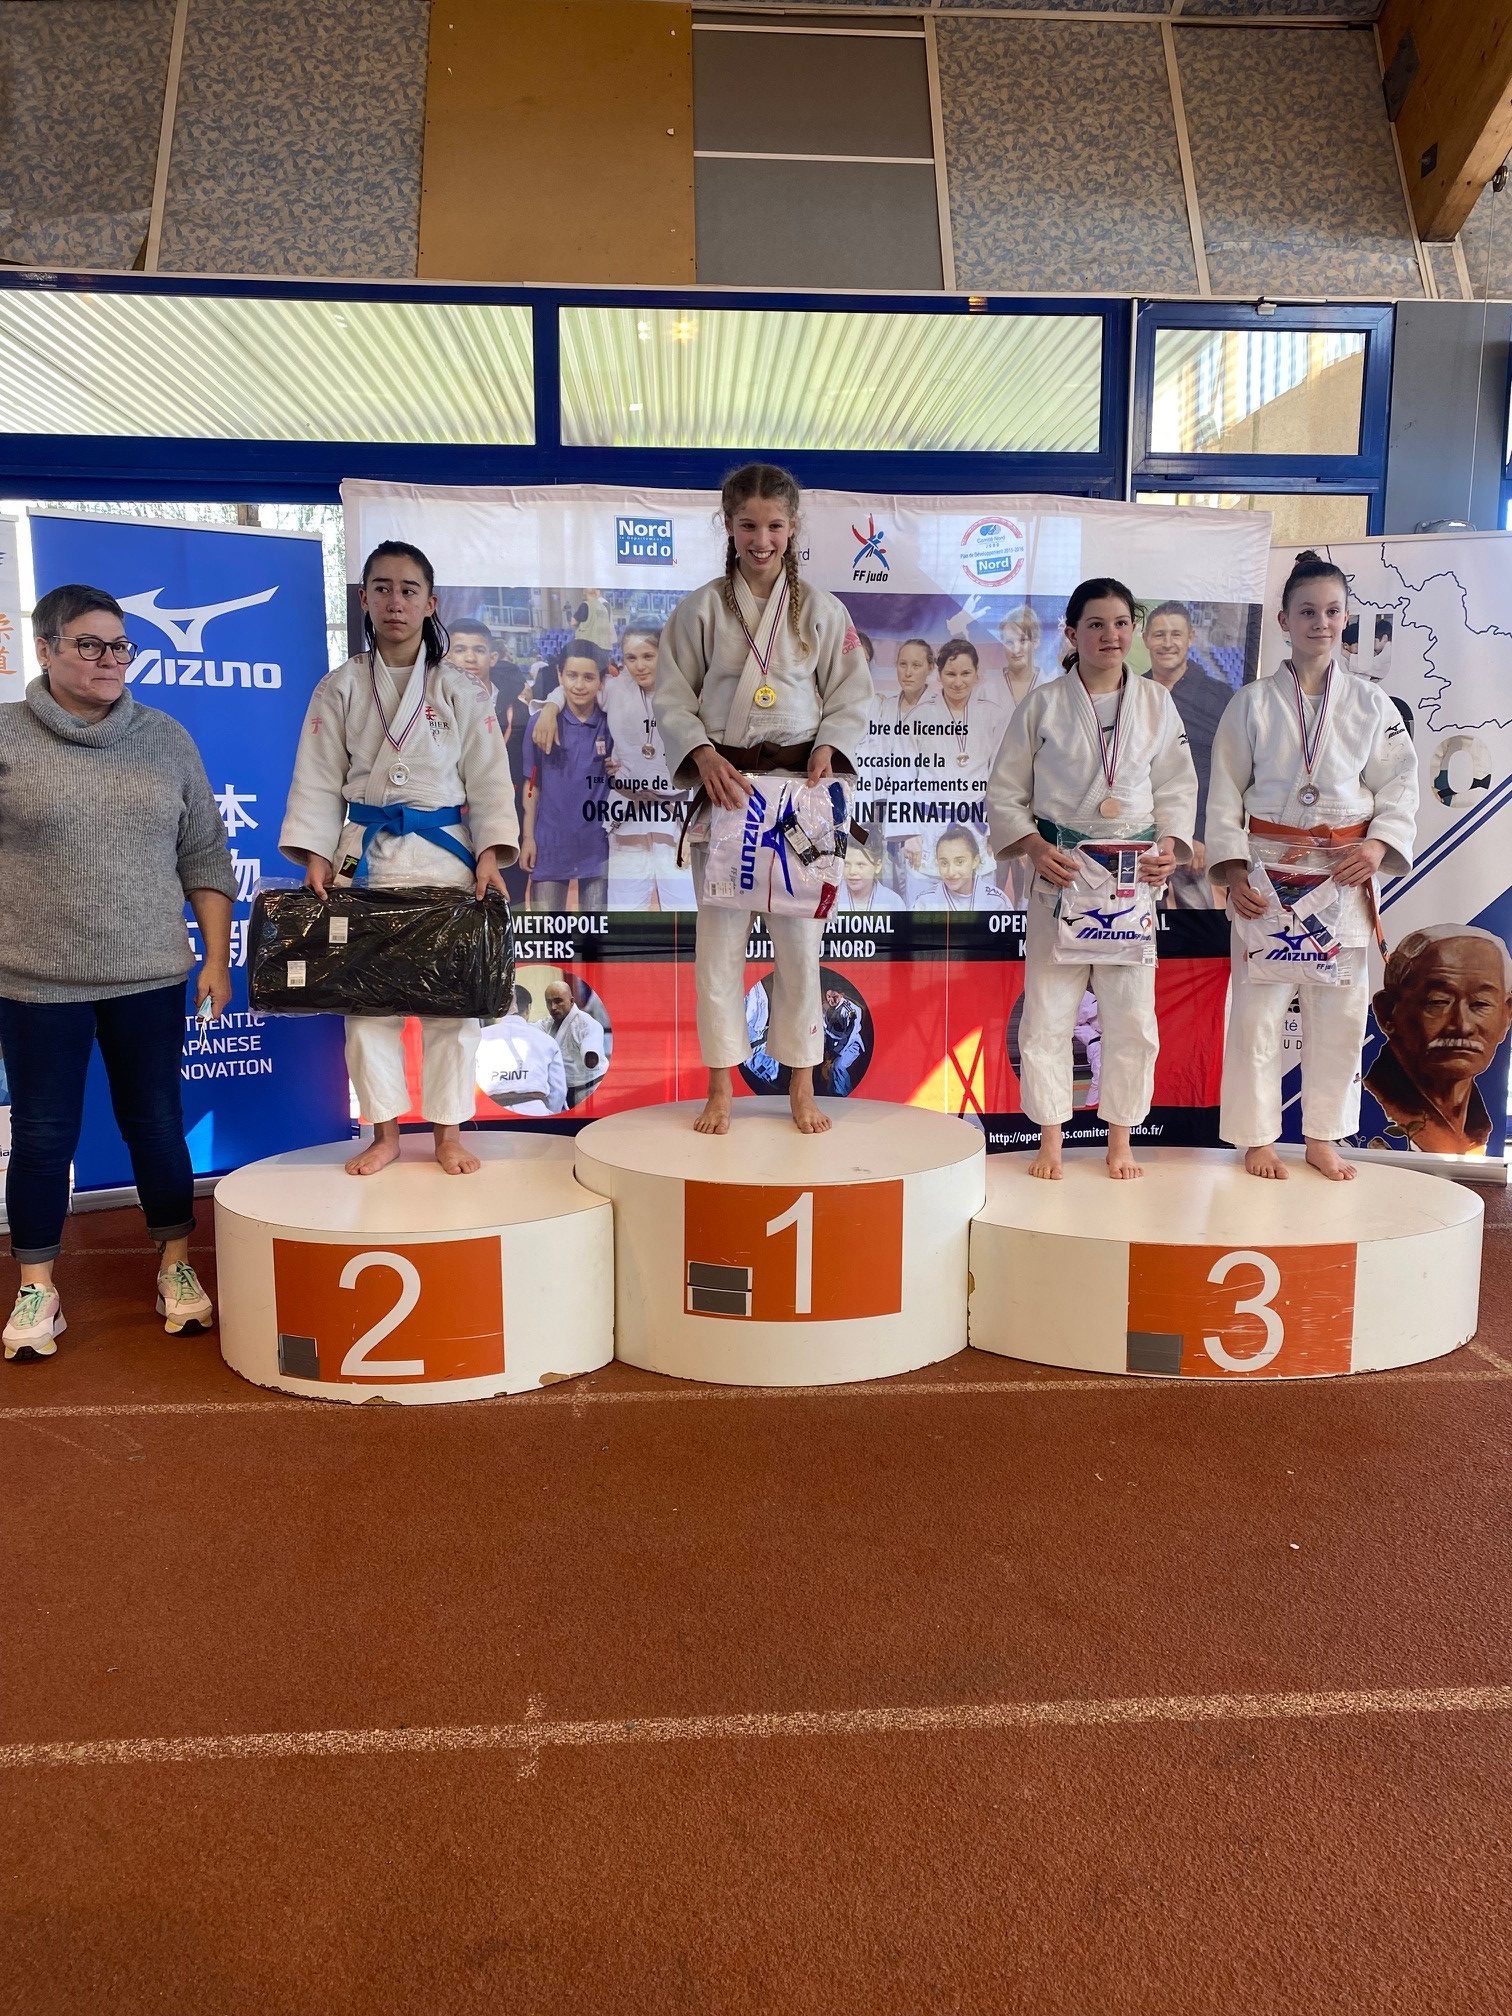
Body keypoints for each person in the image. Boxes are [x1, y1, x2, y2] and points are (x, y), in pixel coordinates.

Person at [0, 583, 236, 1360]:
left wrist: (215, 957)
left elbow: (204, 854)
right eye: (90, 645)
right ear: (45, 649)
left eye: (121, 646)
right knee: (42, 1134)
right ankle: (37, 1287)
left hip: (149, 975)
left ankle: (175, 1265)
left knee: (157, 1123)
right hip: (35, 982)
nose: (110, 660)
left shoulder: (165, 738)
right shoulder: (5, 736)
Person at [280, 540, 518, 1178]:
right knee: (367, 1008)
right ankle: (384, 1132)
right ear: (364, 599)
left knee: (452, 1007)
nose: (395, 601)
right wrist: (316, 854)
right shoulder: (340, 686)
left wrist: (491, 854)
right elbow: (317, 776)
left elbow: (489, 777)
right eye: (382, 588)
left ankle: (447, 1132)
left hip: (444, 857)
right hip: (366, 857)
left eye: (409, 590)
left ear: (430, 603)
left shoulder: (460, 689)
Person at [655, 461, 872, 1135]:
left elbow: (851, 693)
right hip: (728, 790)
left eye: (774, 525)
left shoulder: (822, 611)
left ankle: (802, 1082)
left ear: (793, 526)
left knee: (800, 944)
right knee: (719, 944)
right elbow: (672, 697)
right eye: (748, 525)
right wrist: (701, 755)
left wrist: (831, 746)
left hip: (799, 796)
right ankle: (720, 1084)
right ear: (728, 525)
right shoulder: (700, 609)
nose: (761, 539)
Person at [1206, 549, 1418, 1180]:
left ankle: (1324, 1135)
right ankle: (1256, 1138)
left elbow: (1399, 787)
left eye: (1330, 611)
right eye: (1306, 611)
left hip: (1341, 872)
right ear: (1284, 620)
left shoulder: (1373, 705)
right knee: (1257, 1014)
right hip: (1268, 873)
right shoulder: (1250, 703)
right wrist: (1234, 871)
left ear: (1345, 619)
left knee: (1339, 1013)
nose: (1319, 623)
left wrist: (1378, 846)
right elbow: (1223, 793)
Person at [988, 576, 1197, 1180]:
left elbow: (1177, 786)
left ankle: (1120, 1139)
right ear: (1072, 633)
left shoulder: (1156, 702)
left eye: (1122, 623)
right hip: (1062, 874)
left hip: (1132, 880)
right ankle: (1051, 1137)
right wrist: (1032, 846)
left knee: (1131, 1018)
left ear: (1134, 631)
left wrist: (1170, 847)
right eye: (1097, 624)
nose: (1111, 635)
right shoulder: (1044, 704)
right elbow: (1006, 791)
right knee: (1048, 1013)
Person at [532, 624, 694, 912]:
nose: (639, 666)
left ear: (665, 653)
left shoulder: (688, 690)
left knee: (684, 914)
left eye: (648, 656)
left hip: (675, 815)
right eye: (631, 658)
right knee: (624, 914)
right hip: (628, 814)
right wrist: (550, 708)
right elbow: (576, 685)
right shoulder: (615, 689)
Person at [1364, 925, 1512, 1154]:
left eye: (1480, 1004)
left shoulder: (1478, 1126)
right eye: (1438, 1001)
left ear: (1506, 1016)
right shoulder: (1368, 1104)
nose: (1462, 1025)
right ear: (1387, 1013)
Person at [1143, 601, 1232, 912]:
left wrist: (1199, 835)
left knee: (1196, 931)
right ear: (1145, 639)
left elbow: (1224, 775)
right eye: (1159, 635)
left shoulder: (1219, 697)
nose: (1167, 643)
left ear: (1191, 637)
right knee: (1138, 927)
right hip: (1141, 836)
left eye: (1176, 634)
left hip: (1197, 842)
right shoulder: (1133, 694)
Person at [520, 642, 613, 912]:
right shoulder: (540, 723)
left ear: (601, 681)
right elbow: (532, 785)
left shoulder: (612, 723)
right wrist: (528, 838)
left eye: (588, 677)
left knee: (595, 935)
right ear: (560, 676)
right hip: (549, 846)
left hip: (597, 848)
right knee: (549, 935)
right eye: (572, 675)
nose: (579, 685)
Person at [477, 987, 568, 1116]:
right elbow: (558, 1091)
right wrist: (548, 1114)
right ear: (528, 1008)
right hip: (535, 1111)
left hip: (490, 1114)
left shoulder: (479, 1037)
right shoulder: (547, 1041)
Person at [541, 976, 609, 1108]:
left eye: (558, 1001)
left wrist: (590, 1055)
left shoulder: (586, 1024)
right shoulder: (548, 1023)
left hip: (591, 1088)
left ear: (571, 1001)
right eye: (549, 1002)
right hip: (566, 1090)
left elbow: (590, 1046)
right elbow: (531, 1030)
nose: (553, 1007)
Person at [911, 824, 1009, 913]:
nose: (951, 872)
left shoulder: (997, 902)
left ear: (975, 861)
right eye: (944, 863)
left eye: (959, 862)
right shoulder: (924, 903)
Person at [837, 835, 905, 912]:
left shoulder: (893, 902)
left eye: (860, 864)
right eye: (846, 864)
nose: (852, 871)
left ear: (877, 866)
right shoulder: (831, 897)